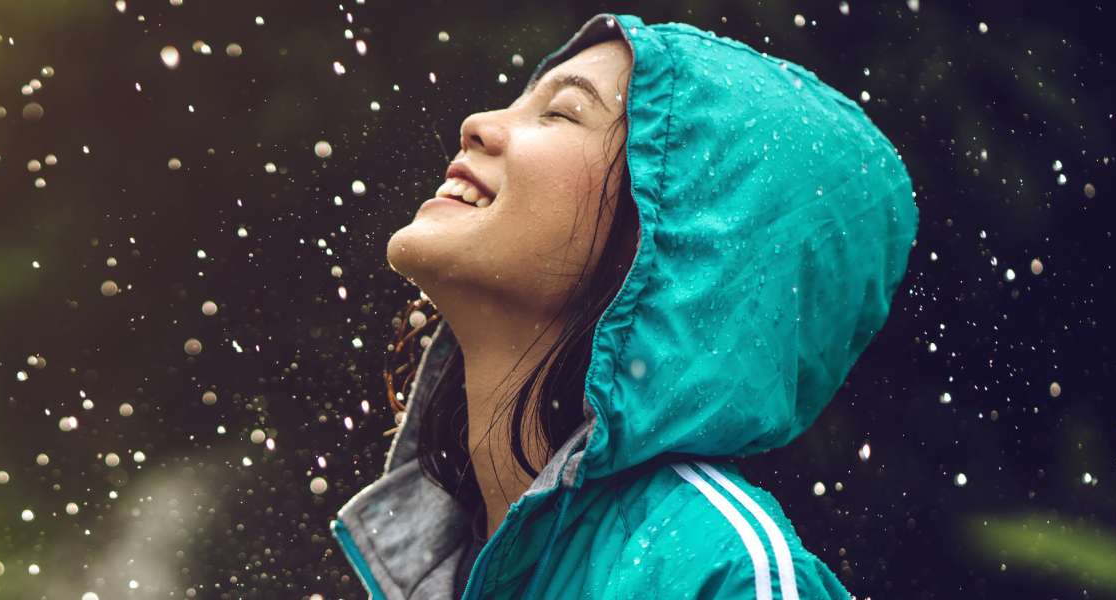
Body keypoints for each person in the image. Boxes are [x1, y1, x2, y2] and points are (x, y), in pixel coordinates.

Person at [332, 14, 915, 600]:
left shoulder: (717, 576)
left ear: (675, 242)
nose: (476, 124)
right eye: (516, 101)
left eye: (560, 111)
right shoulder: (441, 566)